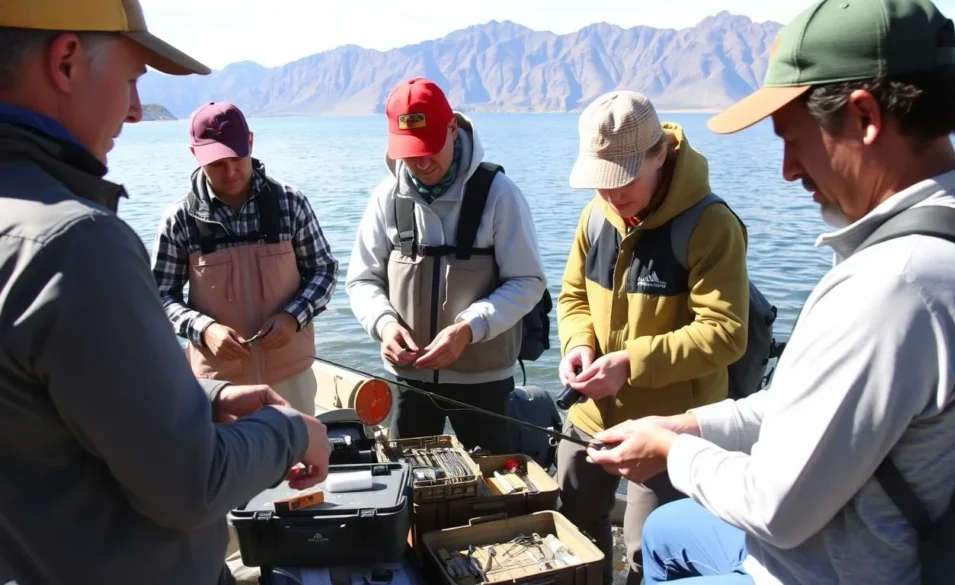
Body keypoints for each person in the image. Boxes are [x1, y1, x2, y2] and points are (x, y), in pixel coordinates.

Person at [587, 1, 955, 584]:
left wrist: (669, 453)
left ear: (864, 117)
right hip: (856, 533)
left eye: (793, 138)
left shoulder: (896, 285)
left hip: (833, 568)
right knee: (667, 530)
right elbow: (809, 401)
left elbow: (776, 510)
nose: (788, 169)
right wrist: (688, 425)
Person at [0, 2, 330, 584]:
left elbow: (73, 405)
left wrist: (204, 397)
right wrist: (293, 431)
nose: (133, 111)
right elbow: (189, 483)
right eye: (131, 80)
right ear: (67, 61)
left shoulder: (22, 222)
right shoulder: (77, 242)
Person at [556, 90, 751, 585]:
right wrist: (578, 345)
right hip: (589, 417)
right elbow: (573, 296)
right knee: (574, 534)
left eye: (623, 180)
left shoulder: (711, 225)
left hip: (668, 431)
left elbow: (726, 333)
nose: (612, 196)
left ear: (660, 154)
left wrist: (630, 363)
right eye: (601, 184)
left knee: (652, 551)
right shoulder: (596, 216)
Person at [345, 78, 547, 455]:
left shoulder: (500, 194)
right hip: (409, 379)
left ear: (453, 129)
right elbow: (362, 280)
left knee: (496, 488)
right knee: (407, 480)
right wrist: (384, 325)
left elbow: (528, 281)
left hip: (485, 381)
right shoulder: (385, 197)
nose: (421, 163)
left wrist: (469, 328)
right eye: (409, 151)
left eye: (429, 148)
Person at [151, 101, 339, 415]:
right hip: (218, 386)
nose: (230, 172)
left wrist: (293, 317)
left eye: (237, 158)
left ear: (250, 142)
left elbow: (324, 271)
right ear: (194, 155)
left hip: (291, 379)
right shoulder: (178, 219)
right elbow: (159, 295)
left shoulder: (291, 204)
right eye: (216, 164)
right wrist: (204, 328)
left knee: (298, 463)